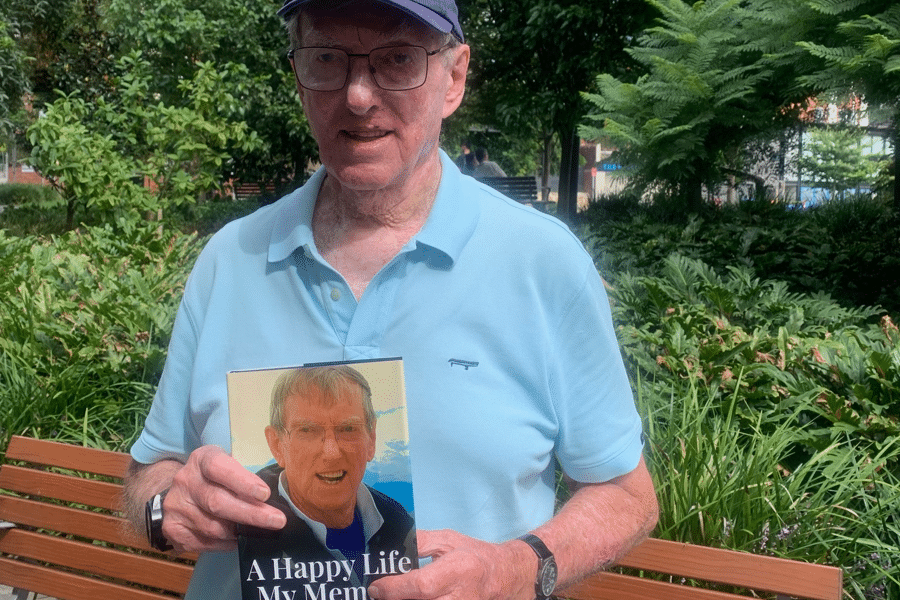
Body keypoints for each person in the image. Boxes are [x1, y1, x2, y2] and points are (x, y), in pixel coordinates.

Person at [123, 1, 659, 600]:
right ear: (299, 75)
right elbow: (152, 469)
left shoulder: (543, 264)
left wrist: (518, 567)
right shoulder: (231, 260)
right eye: (327, 58)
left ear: (453, 77)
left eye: (397, 60)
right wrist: (165, 507)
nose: (357, 95)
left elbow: (628, 496)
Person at [239, 366, 416, 592]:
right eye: (307, 430)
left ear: (371, 439)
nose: (331, 452)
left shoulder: (399, 523)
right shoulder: (245, 538)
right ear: (277, 445)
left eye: (348, 428)